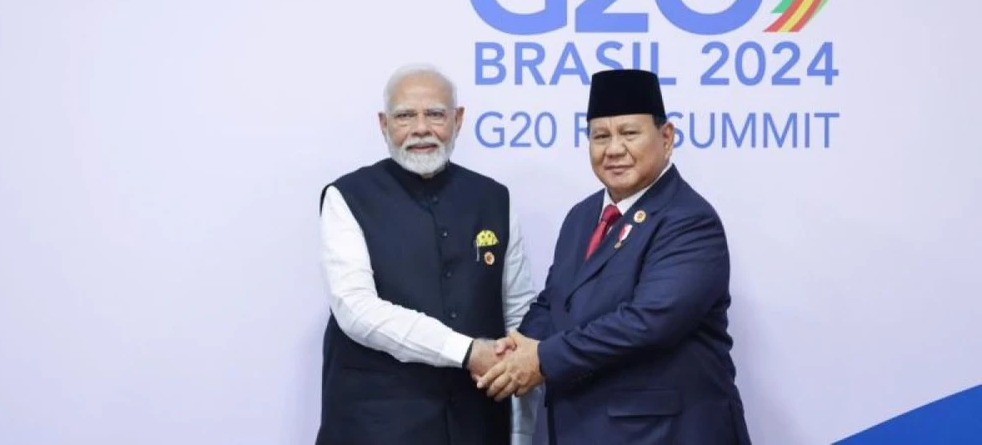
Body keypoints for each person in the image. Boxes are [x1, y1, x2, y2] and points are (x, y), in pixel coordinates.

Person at [476, 68, 751, 444]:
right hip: (584, 427)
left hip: (665, 434)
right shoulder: (582, 215)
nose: (614, 149)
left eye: (629, 133)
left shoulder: (689, 220)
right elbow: (556, 301)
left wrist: (540, 359)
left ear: (666, 137)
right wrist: (516, 348)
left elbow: (647, 322)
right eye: (600, 136)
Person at [315, 63, 539, 445]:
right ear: (384, 125)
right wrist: (467, 351)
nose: (421, 128)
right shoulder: (347, 197)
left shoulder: (493, 198)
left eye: (435, 114)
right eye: (405, 116)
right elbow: (355, 309)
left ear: (458, 119)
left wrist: (520, 431)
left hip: (478, 424)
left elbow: (517, 313)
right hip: (376, 426)